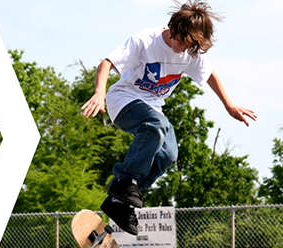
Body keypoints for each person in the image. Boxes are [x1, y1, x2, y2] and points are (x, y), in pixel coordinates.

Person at [80, 1, 256, 234]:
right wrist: (99, 93)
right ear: (173, 29)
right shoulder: (145, 40)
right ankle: (124, 181)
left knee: (168, 155)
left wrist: (229, 104)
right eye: (181, 42)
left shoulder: (190, 51)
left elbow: (209, 73)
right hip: (123, 101)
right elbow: (107, 62)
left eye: (188, 46)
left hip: (153, 108)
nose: (182, 49)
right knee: (156, 125)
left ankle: (119, 201)